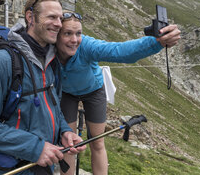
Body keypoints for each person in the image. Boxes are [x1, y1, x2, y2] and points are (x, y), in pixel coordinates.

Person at [0, 0, 86, 175]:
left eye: (60, 18)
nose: (58, 24)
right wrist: (35, 148)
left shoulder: (51, 61)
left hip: (43, 165)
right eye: (51, 17)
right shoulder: (3, 61)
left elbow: (53, 107)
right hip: (14, 168)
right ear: (30, 17)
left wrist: (64, 132)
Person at [56, 12, 181, 175]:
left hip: (93, 91)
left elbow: (119, 51)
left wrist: (157, 42)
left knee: (97, 142)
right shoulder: (48, 48)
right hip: (66, 94)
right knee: (68, 145)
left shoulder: (86, 45)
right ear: (57, 35)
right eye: (67, 33)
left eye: (78, 33)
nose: (74, 40)